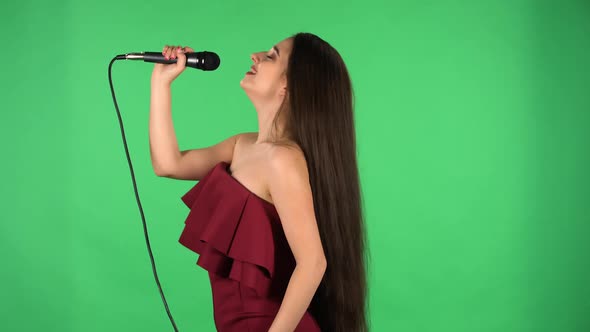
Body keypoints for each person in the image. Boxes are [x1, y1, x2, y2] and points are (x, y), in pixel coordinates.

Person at [149, 32, 369, 332]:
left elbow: (313, 263)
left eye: (272, 55)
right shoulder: (242, 145)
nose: (255, 55)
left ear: (288, 85)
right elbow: (168, 164)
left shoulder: (283, 160)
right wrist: (161, 84)